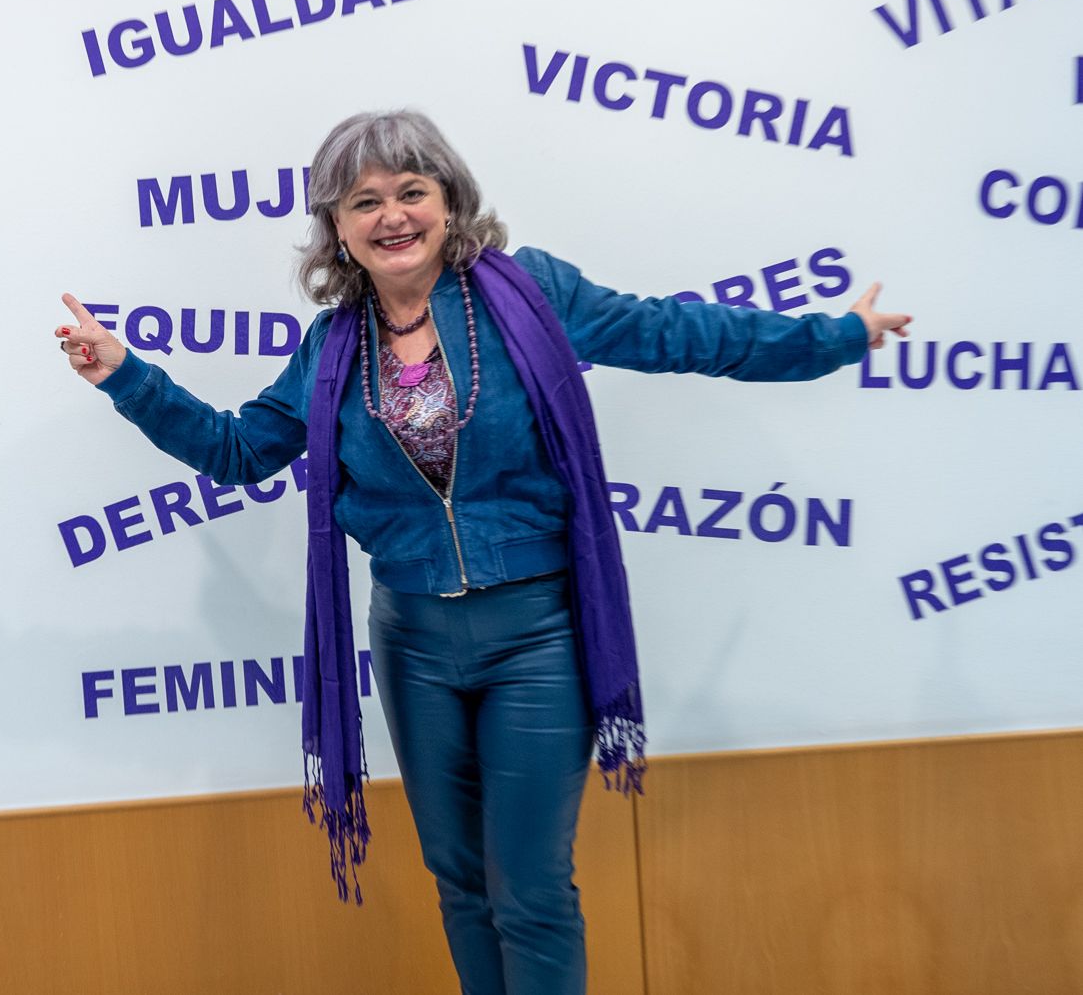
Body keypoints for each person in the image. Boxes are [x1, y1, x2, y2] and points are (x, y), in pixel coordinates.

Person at [52, 110, 911, 995]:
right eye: (364, 200)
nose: (392, 215)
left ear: (450, 201)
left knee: (529, 889)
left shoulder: (532, 295)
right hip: (413, 644)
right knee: (461, 885)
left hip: (536, 636)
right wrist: (126, 374)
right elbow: (236, 451)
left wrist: (834, 335)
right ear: (336, 230)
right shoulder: (330, 349)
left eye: (411, 192)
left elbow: (677, 334)